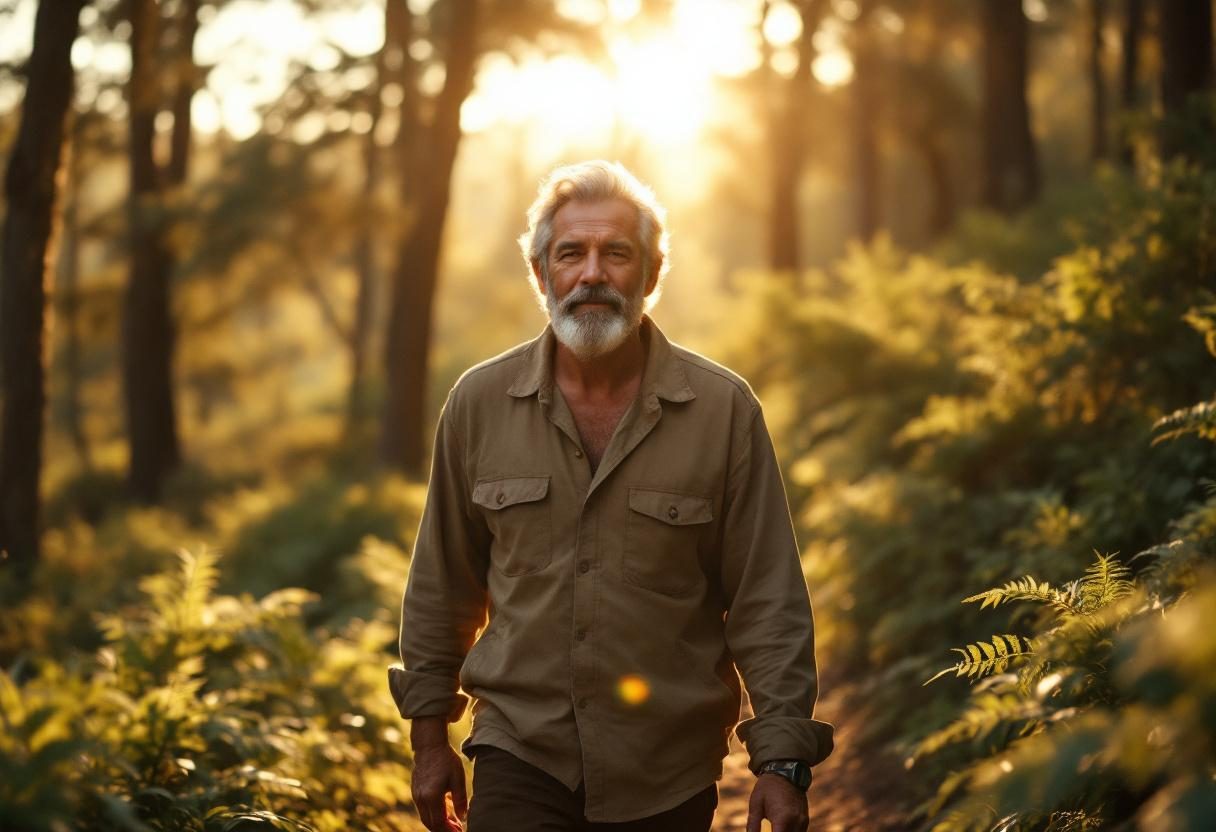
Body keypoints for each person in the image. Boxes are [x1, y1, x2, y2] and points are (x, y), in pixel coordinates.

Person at [387, 160, 833, 832]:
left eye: (616, 253)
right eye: (571, 253)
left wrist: (781, 762)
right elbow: (441, 586)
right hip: (517, 752)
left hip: (666, 771)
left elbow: (767, 600)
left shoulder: (723, 411)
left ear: (650, 275)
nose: (592, 273)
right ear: (542, 274)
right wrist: (428, 742)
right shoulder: (477, 405)